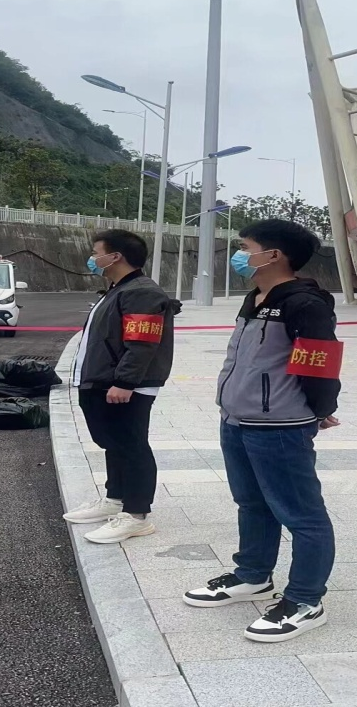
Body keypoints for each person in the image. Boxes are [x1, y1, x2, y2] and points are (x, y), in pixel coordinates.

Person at [184, 219, 341, 642]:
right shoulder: (255, 297)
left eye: (245, 247)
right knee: (251, 503)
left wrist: (322, 409)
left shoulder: (305, 303)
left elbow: (320, 363)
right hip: (236, 420)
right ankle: (253, 575)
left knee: (302, 515)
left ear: (273, 255)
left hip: (279, 426)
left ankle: (306, 600)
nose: (239, 255)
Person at [63, 229, 179, 544]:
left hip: (125, 385)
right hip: (104, 381)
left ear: (115, 256)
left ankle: (136, 515)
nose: (92, 258)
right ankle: (115, 499)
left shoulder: (141, 292)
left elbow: (142, 344)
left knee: (131, 445)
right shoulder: (119, 289)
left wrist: (125, 382)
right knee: (114, 443)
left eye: (96, 252)